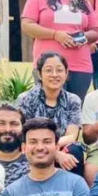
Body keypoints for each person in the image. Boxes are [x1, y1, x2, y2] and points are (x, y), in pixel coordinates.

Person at [20, 0, 98, 100]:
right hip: (49, 66)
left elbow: (95, 31)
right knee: (49, 108)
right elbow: (27, 25)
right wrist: (56, 35)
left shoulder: (82, 1)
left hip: (80, 65)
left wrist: (81, 37)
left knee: (75, 108)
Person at [17, 52, 91, 182]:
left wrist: (53, 149)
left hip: (62, 146)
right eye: (48, 70)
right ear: (40, 74)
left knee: (74, 152)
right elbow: (24, 134)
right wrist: (54, 153)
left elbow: (71, 135)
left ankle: (74, 192)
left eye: (59, 70)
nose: (54, 75)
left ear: (66, 74)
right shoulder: (26, 99)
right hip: (33, 146)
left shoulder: (73, 100)